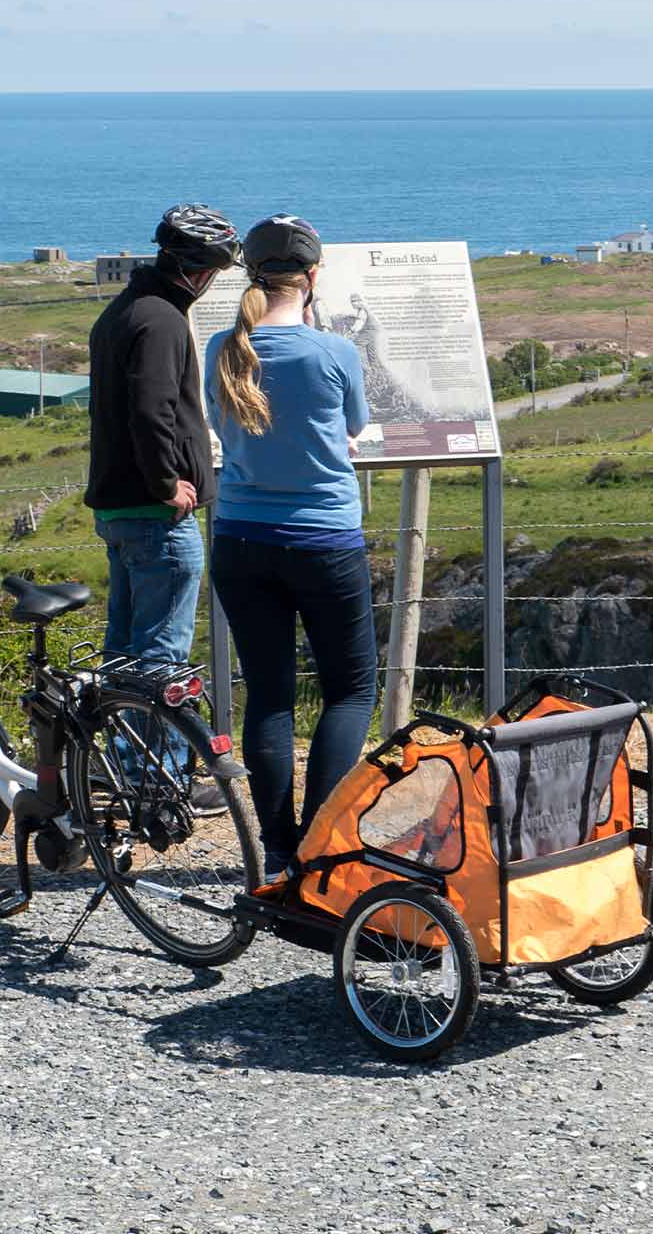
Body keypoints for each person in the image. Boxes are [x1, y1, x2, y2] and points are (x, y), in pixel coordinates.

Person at [204, 214, 377, 881]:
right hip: (323, 538)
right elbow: (354, 422)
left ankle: (276, 854)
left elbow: (224, 422)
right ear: (312, 276)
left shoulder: (224, 346)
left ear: (252, 273)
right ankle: (321, 847)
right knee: (350, 691)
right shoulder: (333, 352)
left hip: (242, 539)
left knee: (271, 697)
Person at [85, 202, 237, 803]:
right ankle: (158, 778)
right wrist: (167, 484)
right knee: (160, 656)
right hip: (156, 516)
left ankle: (119, 767)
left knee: (123, 652)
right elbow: (153, 411)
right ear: (198, 269)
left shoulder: (123, 312)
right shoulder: (163, 322)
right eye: (217, 273)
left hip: (120, 512)